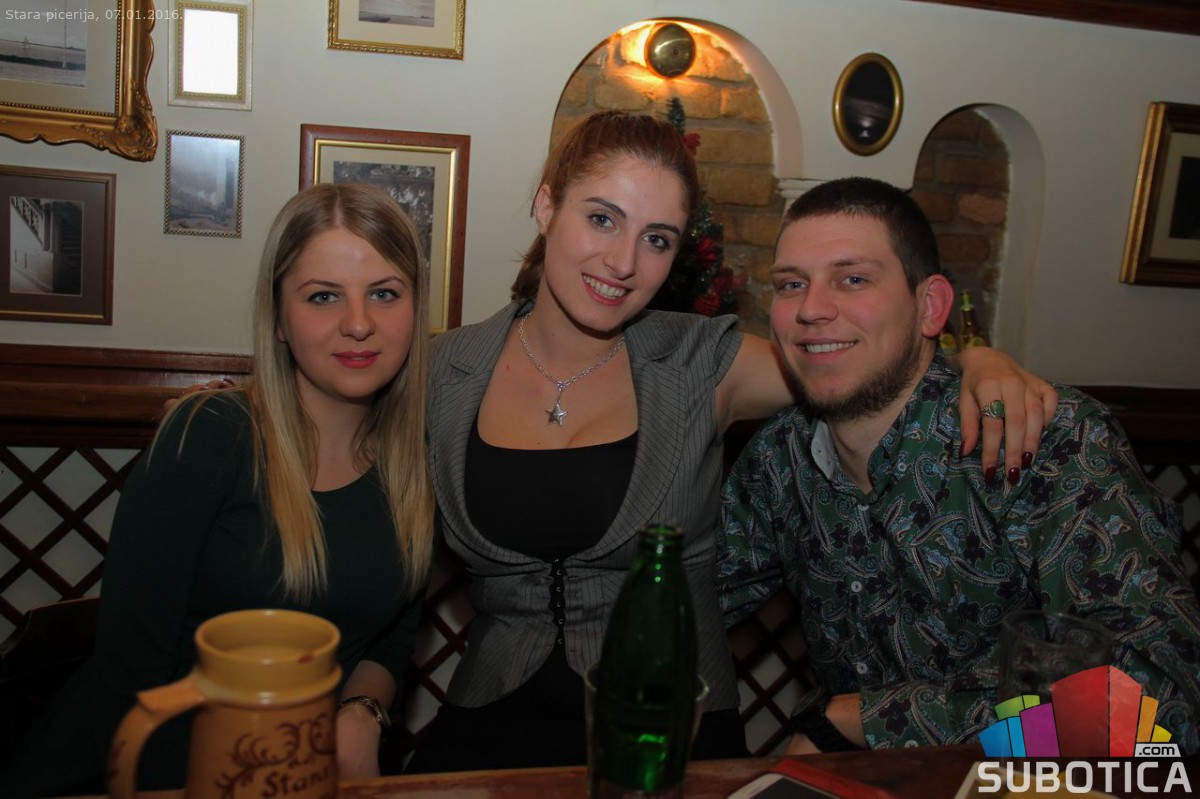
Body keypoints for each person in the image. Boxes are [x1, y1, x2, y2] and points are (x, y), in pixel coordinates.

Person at [408, 112, 1058, 772]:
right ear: (547, 205)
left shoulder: (703, 363)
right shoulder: (445, 371)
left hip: (675, 726)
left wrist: (976, 359)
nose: (624, 262)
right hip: (488, 716)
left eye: (656, 239)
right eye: (602, 219)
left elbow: (853, 356)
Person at [717, 176, 1200, 755]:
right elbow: (693, 603)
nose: (812, 309)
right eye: (792, 284)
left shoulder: (1047, 441)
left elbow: (1161, 703)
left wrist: (860, 720)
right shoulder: (779, 459)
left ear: (929, 307)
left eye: (853, 279)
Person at [0, 183, 435, 796]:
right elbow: (129, 679)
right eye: (323, 296)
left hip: (296, 775)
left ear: (416, 310)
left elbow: (388, 639)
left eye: (384, 293)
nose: (359, 323)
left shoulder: (416, 464)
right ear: (278, 319)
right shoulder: (207, 438)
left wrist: (363, 712)